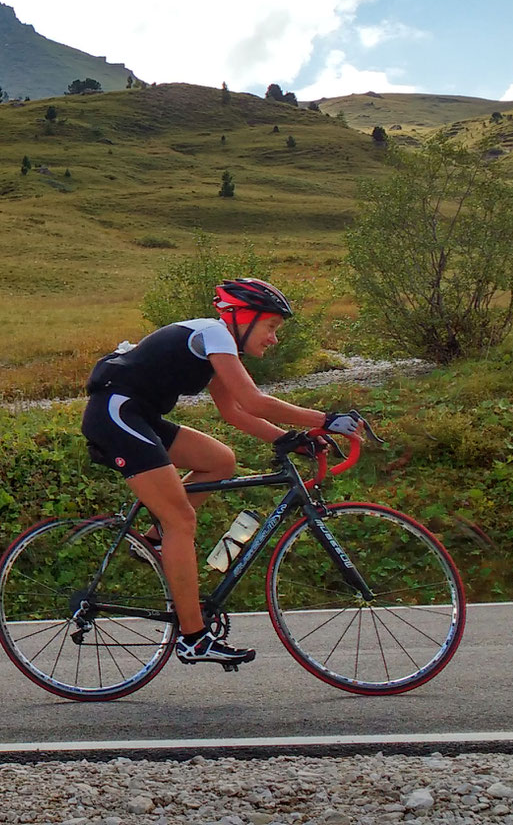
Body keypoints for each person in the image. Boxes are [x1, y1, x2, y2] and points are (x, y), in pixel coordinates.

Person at [81, 278, 363, 666]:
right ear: (244, 318)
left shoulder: (216, 346)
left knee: (220, 460)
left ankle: (154, 540)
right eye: (271, 328)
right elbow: (254, 400)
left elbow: (234, 411)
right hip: (116, 415)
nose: (274, 339)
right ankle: (193, 638)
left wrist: (291, 439)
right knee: (182, 518)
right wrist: (326, 420)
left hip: (138, 415)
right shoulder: (214, 333)